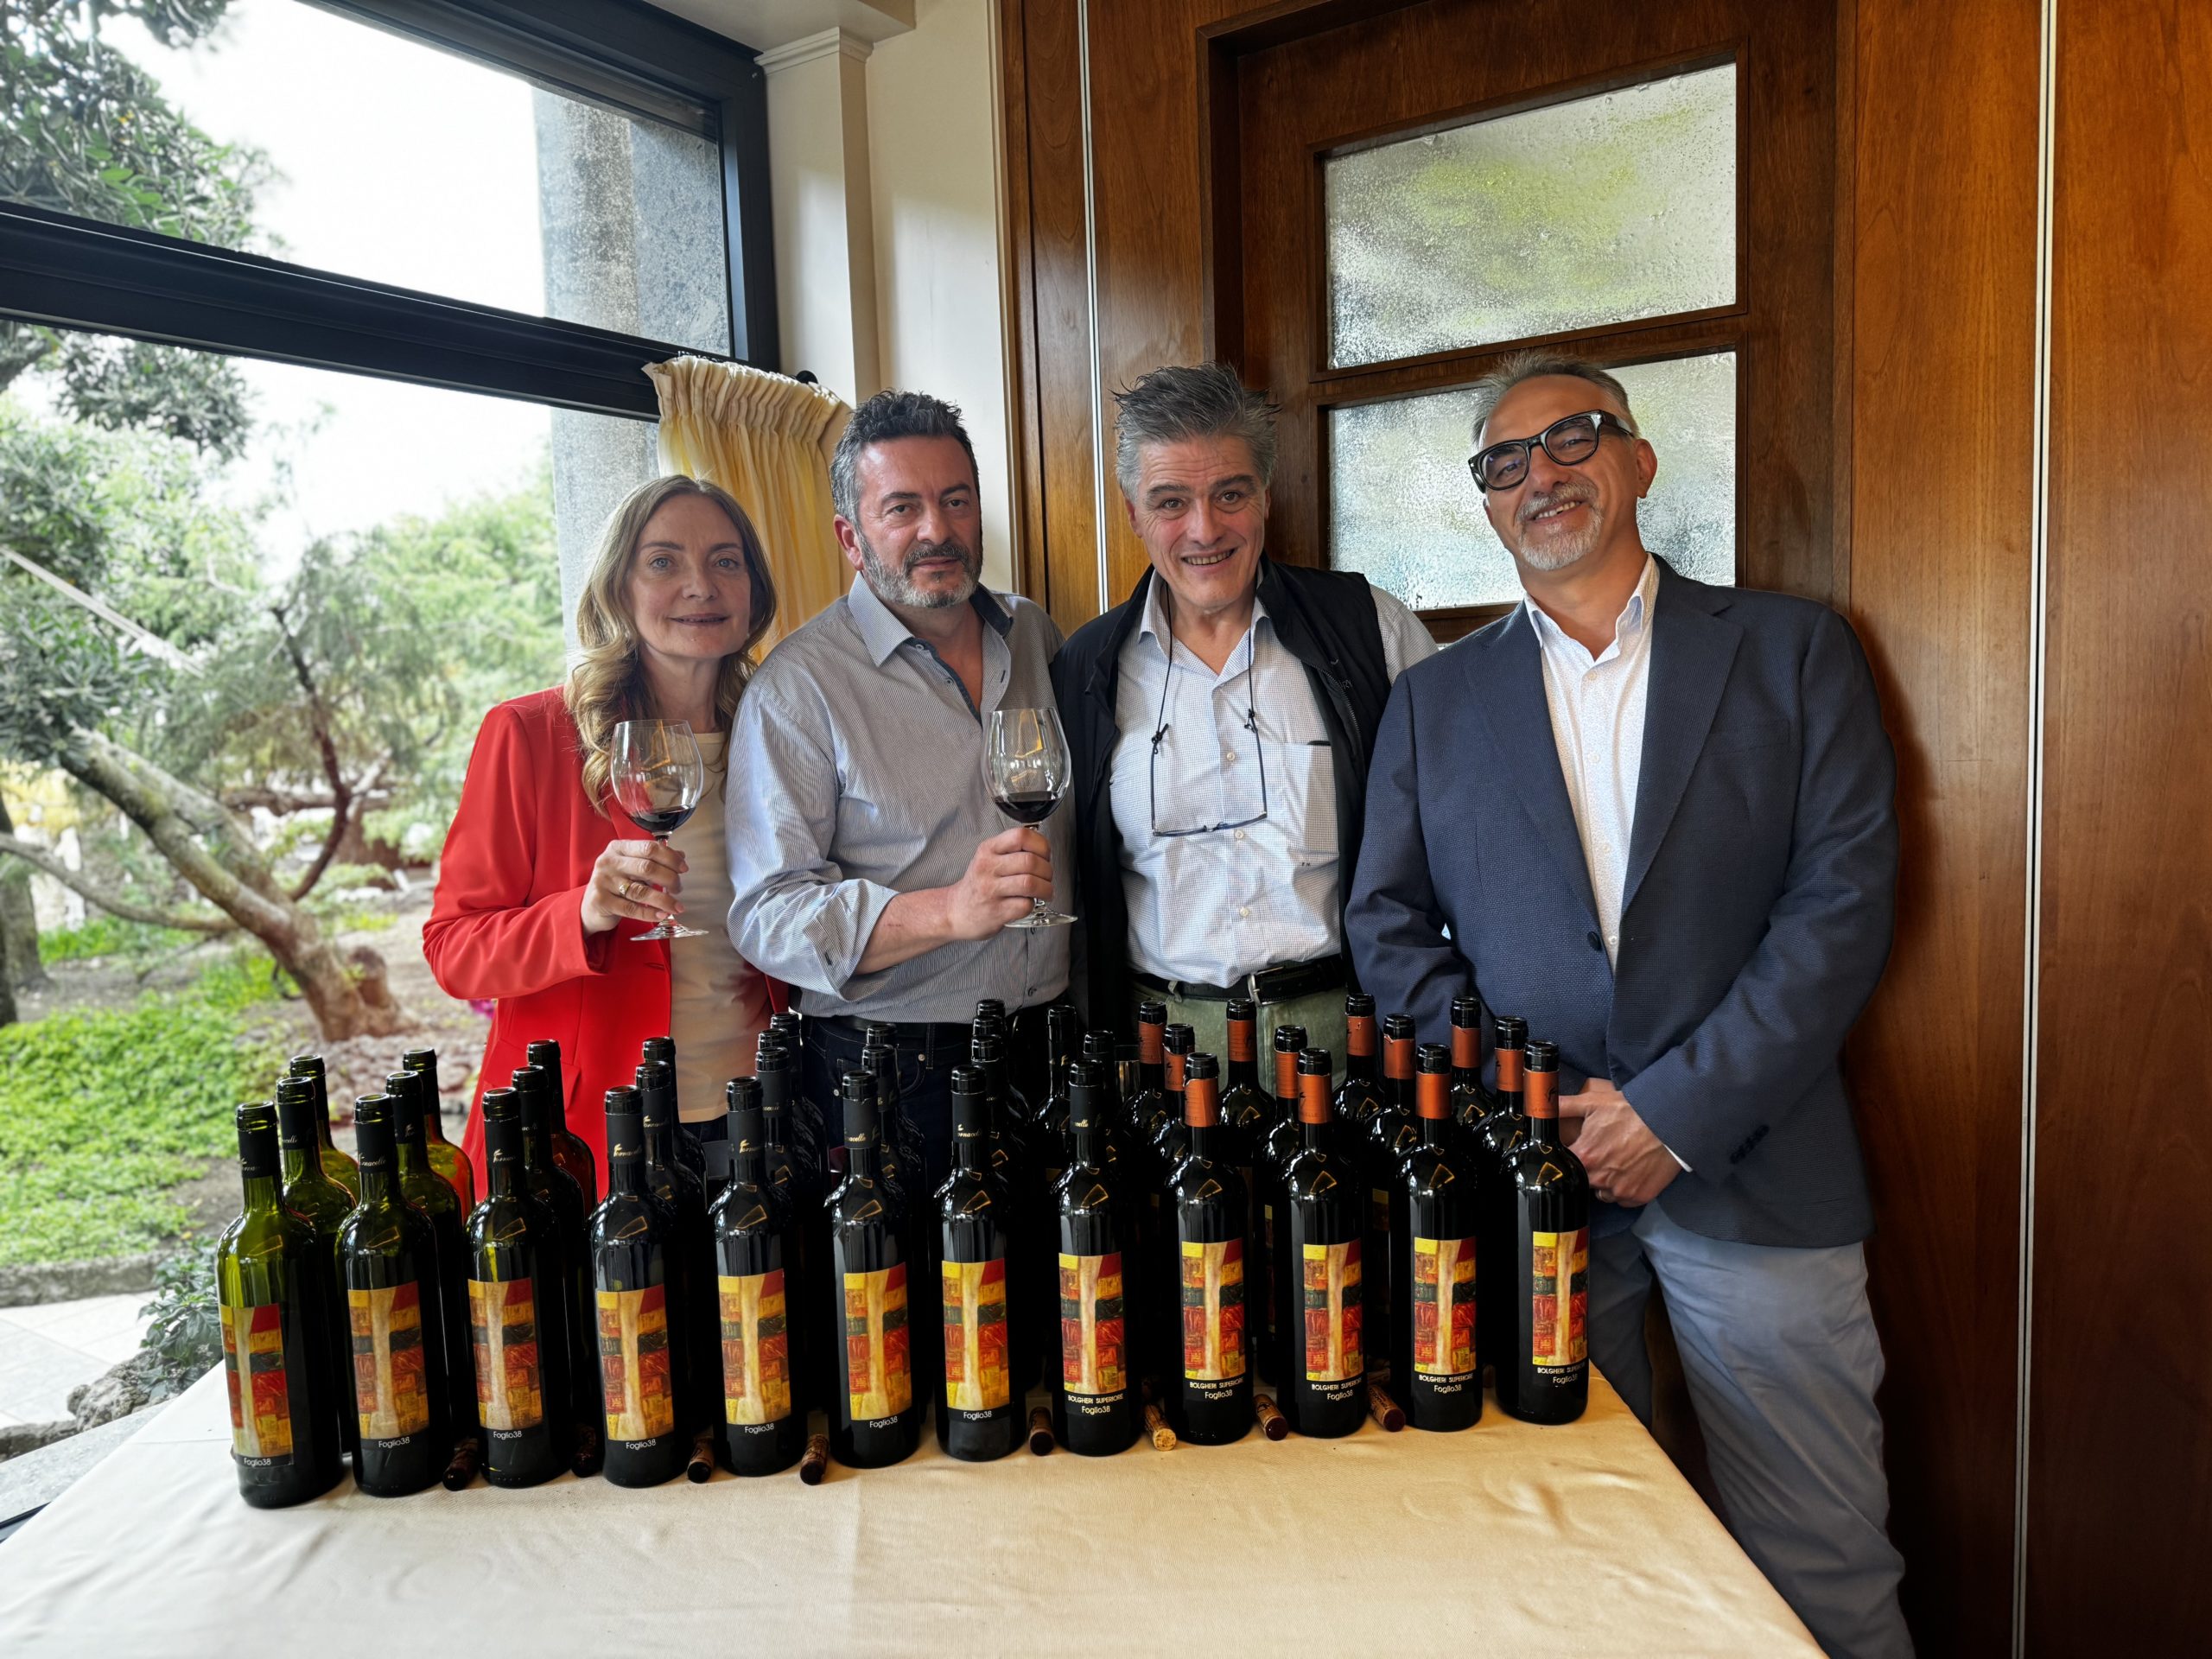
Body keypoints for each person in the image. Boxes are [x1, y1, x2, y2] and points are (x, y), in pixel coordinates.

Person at [1346, 351, 1910, 1657]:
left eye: (1574, 438)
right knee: (1573, 1566)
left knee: (1825, 1559)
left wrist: (1671, 1115)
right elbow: (1387, 933)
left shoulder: (1792, 651)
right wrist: (1544, 1107)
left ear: (1639, 461)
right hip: (1534, 1183)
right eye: (1504, 461)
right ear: (1486, 502)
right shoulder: (1432, 702)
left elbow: (1841, 909)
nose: (1540, 475)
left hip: (1758, 1173)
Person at [726, 390, 1070, 1194]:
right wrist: (948, 911)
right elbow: (766, 913)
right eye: (902, 507)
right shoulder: (798, 688)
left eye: (956, 501)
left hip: (1051, 1048)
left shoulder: (1035, 635)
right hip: (897, 1070)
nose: (936, 530)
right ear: (851, 537)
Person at [1052, 362, 1435, 1064]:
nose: (1204, 529)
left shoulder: (1370, 629)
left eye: (1229, 494)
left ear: (1264, 497)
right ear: (1133, 514)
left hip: (1347, 1041)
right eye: (1171, 502)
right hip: (1160, 1054)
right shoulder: (1083, 670)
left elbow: (1458, 833)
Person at [425, 474, 784, 1180]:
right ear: (619, 589)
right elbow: (453, 951)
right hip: (583, 1132)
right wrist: (583, 912)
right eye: (663, 562)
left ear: (753, 591)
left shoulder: (778, 733)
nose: (700, 586)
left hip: (755, 1119)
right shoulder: (530, 734)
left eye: (726, 561)